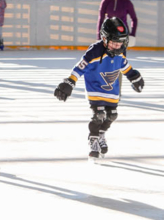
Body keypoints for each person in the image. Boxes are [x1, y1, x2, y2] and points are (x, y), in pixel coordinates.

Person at [54, 17, 144, 160]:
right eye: (114, 43)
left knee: (112, 115)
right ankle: (93, 140)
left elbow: (124, 66)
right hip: (95, 89)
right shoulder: (95, 51)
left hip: (112, 90)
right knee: (99, 115)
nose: (117, 46)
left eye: (120, 43)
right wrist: (70, 81)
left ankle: (101, 133)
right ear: (104, 39)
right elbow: (80, 67)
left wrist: (134, 76)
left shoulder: (120, 51)